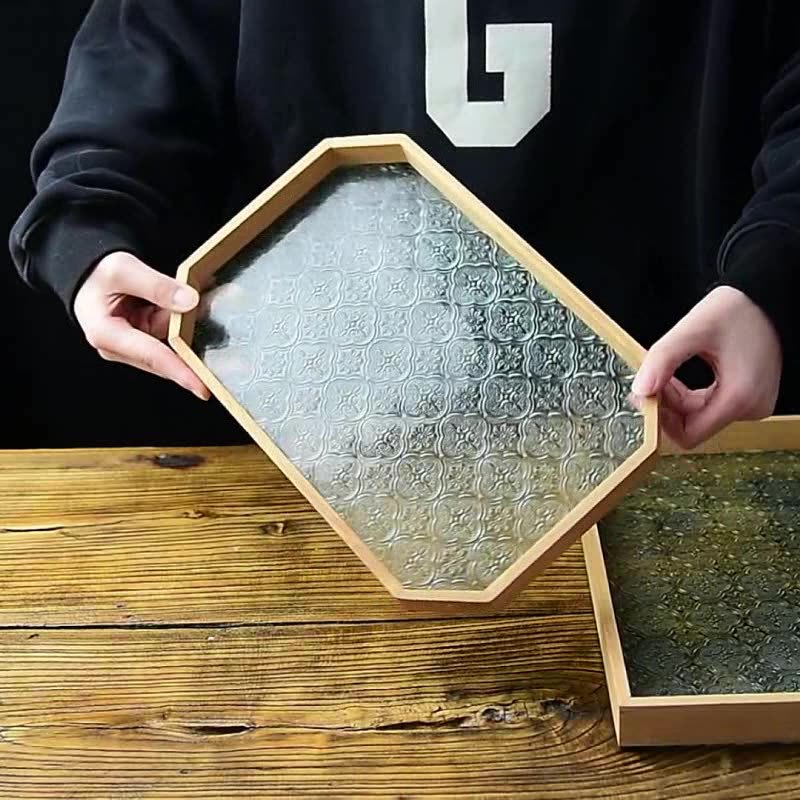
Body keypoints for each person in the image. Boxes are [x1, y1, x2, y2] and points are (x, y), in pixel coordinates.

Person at [9, 1, 797, 449]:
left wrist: (772, 282)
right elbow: (145, 51)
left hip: (674, 424)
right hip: (328, 448)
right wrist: (90, 234)